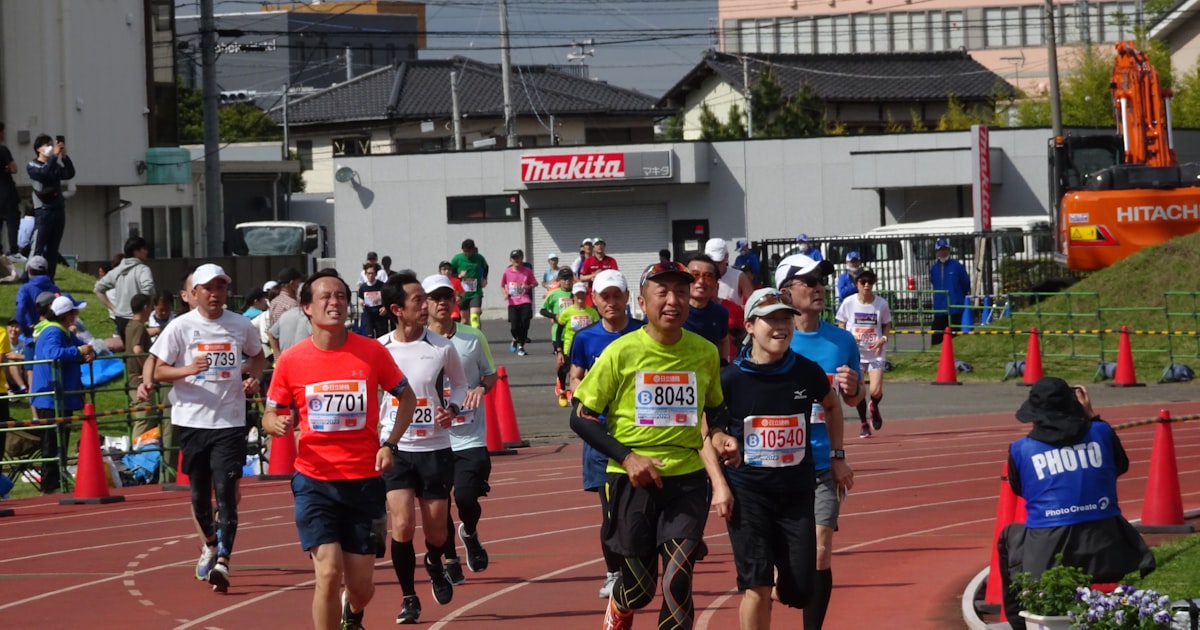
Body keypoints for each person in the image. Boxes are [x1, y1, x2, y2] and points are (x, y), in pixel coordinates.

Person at [570, 260, 739, 630]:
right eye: (661, 292)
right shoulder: (621, 352)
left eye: (680, 291)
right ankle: (620, 605)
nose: (673, 300)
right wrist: (628, 458)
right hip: (631, 481)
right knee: (641, 589)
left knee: (678, 580)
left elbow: (716, 411)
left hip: (687, 479)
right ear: (643, 303)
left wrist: (723, 435)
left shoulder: (705, 352)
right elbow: (581, 417)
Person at [263, 269, 415, 630]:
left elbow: (406, 398)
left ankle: (354, 611)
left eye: (341, 296)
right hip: (315, 482)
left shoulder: (372, 351)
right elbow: (270, 413)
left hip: (363, 482)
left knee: (362, 587)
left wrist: (390, 443)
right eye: (325, 297)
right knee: (328, 572)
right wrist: (277, 424)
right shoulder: (292, 360)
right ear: (307, 309)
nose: (335, 303)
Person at [719, 287, 849, 630]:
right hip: (748, 494)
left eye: (785, 319)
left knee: (801, 589)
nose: (780, 327)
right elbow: (708, 429)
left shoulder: (806, 372)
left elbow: (833, 406)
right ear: (749, 326)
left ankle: (777, 584)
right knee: (756, 586)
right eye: (770, 320)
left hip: (795, 494)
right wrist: (721, 463)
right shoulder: (731, 378)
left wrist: (836, 456)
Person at [998, 378, 1156, 629]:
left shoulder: (1020, 449)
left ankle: (1019, 624)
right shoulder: (1101, 432)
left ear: (1033, 414)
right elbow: (1121, 465)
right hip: (1109, 549)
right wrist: (1091, 415)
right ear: (1074, 405)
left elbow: (1020, 489)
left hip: (1049, 554)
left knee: (1008, 537)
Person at [149, 263, 265, 592]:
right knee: (200, 497)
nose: (215, 294)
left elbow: (258, 356)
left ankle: (224, 560)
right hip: (192, 421)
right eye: (208, 288)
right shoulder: (180, 327)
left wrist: (254, 376)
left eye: (221, 288)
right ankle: (212, 543)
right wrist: (188, 368)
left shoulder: (241, 325)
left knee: (227, 495)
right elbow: (159, 371)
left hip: (229, 421)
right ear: (195, 293)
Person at [774, 253, 861, 630]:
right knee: (787, 561)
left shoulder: (841, 340)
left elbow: (853, 399)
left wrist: (856, 388)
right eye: (808, 282)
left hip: (823, 461)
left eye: (821, 280)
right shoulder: (772, 338)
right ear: (786, 292)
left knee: (821, 552)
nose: (818, 287)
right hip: (776, 462)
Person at [377, 272, 468, 624]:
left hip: (434, 447)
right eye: (418, 300)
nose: (425, 305)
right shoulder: (380, 348)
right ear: (397, 309)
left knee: (437, 532)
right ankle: (409, 597)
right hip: (396, 447)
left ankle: (433, 561)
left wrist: (453, 409)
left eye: (425, 299)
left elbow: (460, 386)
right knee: (401, 525)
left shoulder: (441, 347)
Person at [566, 269, 642, 599]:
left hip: (642, 436)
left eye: (617, 295)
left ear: (627, 298)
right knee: (610, 511)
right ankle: (613, 572)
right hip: (602, 440)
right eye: (604, 297)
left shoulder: (643, 333)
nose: (611, 302)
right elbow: (575, 378)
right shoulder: (586, 339)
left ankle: (644, 562)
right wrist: (584, 401)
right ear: (594, 300)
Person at [423, 273, 498, 587]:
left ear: (455, 301)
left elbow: (490, 375)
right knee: (439, 507)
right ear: (425, 304)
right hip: (433, 440)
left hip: (469, 435)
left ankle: (469, 530)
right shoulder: (416, 343)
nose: (442, 303)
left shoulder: (472, 337)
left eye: (447, 297)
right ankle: (451, 559)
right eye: (435, 298)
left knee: (466, 497)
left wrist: (481, 388)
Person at [31, 294, 94, 493]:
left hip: (60, 396)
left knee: (60, 442)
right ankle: (49, 487)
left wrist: (88, 352)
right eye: (74, 312)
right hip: (51, 397)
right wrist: (79, 352)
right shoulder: (53, 331)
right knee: (52, 444)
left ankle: (55, 483)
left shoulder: (63, 332)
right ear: (66, 315)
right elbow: (53, 353)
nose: (76, 315)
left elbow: (84, 348)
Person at [835, 268, 891, 437]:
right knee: (858, 391)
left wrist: (883, 339)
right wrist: (848, 339)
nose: (867, 286)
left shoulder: (881, 304)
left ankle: (874, 406)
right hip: (856, 353)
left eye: (870, 283)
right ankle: (864, 424)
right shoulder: (849, 303)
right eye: (863, 283)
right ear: (856, 284)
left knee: (875, 390)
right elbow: (841, 323)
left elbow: (887, 324)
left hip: (875, 352)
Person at [27, 134, 75, 277]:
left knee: (53, 249)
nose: (50, 147)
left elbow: (69, 173)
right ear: (38, 149)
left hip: (58, 210)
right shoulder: (33, 165)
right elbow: (44, 173)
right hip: (43, 211)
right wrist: (54, 156)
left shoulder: (54, 165)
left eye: (51, 144)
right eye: (46, 145)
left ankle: (49, 279)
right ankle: (28, 277)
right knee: (38, 247)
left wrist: (64, 156)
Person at [93, 237, 155, 339]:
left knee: (129, 350)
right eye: (144, 249)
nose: (147, 252)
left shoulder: (117, 270)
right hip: (137, 318)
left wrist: (113, 308)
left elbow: (97, 289)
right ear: (136, 251)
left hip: (120, 318)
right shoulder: (143, 270)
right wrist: (147, 309)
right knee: (139, 351)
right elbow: (148, 290)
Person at [683, 254, 731, 365]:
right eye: (695, 275)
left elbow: (723, 341)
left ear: (716, 283)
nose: (701, 281)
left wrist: (723, 365)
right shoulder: (673, 310)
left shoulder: (721, 313)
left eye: (708, 276)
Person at [541, 267, 576, 406]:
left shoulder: (577, 293)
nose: (567, 281)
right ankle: (560, 383)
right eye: (564, 279)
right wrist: (554, 316)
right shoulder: (554, 294)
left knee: (574, 363)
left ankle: (571, 389)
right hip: (559, 332)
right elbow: (542, 310)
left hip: (574, 333)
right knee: (561, 362)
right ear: (559, 280)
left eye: (569, 278)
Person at [124, 293, 158, 439]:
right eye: (150, 307)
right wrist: (147, 371)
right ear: (145, 308)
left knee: (140, 417)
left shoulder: (130, 325)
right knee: (144, 419)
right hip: (139, 381)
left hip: (131, 378)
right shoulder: (139, 327)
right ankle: (138, 454)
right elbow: (137, 348)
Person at [930, 238, 970, 346]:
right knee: (936, 336)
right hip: (940, 309)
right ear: (936, 252)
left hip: (955, 308)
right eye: (940, 250)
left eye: (945, 249)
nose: (943, 252)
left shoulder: (957, 266)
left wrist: (958, 297)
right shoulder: (934, 268)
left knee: (955, 337)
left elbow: (965, 283)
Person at [501, 249, 538, 356]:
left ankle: (521, 346)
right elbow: (502, 285)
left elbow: (535, 283)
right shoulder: (507, 272)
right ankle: (515, 338)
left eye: (518, 257)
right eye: (514, 258)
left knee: (525, 323)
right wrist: (505, 294)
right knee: (514, 326)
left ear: (522, 258)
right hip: (512, 302)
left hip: (525, 300)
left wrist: (529, 286)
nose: (516, 260)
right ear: (510, 260)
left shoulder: (527, 271)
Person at [556, 283, 599, 368]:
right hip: (570, 347)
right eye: (577, 294)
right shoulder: (566, 312)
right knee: (571, 371)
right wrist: (559, 351)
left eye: (582, 293)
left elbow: (597, 330)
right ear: (573, 296)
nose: (580, 296)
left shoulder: (593, 312)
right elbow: (558, 332)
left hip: (588, 345)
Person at [450, 239, 489, 329]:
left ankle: (478, 338)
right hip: (462, 293)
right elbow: (451, 273)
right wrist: (459, 276)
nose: (467, 254)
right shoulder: (457, 259)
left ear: (473, 249)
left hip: (475, 293)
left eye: (469, 251)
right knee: (464, 321)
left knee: (474, 317)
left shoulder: (479, 258)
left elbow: (486, 267)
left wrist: (484, 278)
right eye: (465, 252)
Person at [705, 238, 753, 304]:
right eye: (711, 261)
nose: (714, 265)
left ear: (726, 257)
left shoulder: (739, 277)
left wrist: (733, 307)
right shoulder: (698, 277)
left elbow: (754, 308)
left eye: (718, 261)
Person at [0, 123, 19, 258]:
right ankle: (14, 251)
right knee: (12, 222)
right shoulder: (3, 150)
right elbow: (14, 169)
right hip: (6, 191)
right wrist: (6, 168)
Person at [358, 262, 388, 337]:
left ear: (376, 274)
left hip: (380, 315)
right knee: (369, 336)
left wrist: (385, 308)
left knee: (381, 337)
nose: (370, 275)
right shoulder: (363, 287)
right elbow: (361, 299)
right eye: (368, 273)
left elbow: (387, 299)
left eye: (372, 273)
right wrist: (361, 302)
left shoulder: (381, 286)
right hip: (368, 314)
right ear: (365, 274)